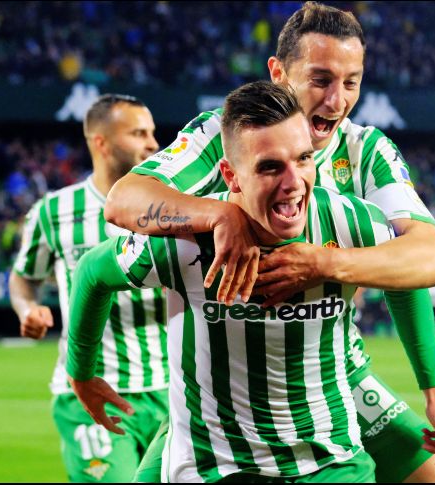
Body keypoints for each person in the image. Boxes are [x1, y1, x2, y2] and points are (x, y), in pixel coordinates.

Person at [104, 3, 435, 482]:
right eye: (320, 80)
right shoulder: (223, 134)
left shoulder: (366, 152)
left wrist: (433, 385)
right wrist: (219, 213)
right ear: (278, 73)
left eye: (351, 82)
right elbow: (123, 200)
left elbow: (422, 259)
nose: (337, 101)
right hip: (220, 389)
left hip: (335, 380)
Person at [67, 81, 394, 482]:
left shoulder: (346, 221)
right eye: (270, 166)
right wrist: (81, 372)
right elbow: (90, 272)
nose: (293, 182)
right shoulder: (183, 246)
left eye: (304, 158)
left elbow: (423, 263)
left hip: (332, 464)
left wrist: (329, 263)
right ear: (231, 175)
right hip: (218, 469)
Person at [9, 94, 168, 482]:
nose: (153, 143)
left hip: (172, 391)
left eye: (151, 132)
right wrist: (27, 308)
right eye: (138, 133)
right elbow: (23, 276)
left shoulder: (173, 205)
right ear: (101, 142)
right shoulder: (55, 210)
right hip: (90, 391)